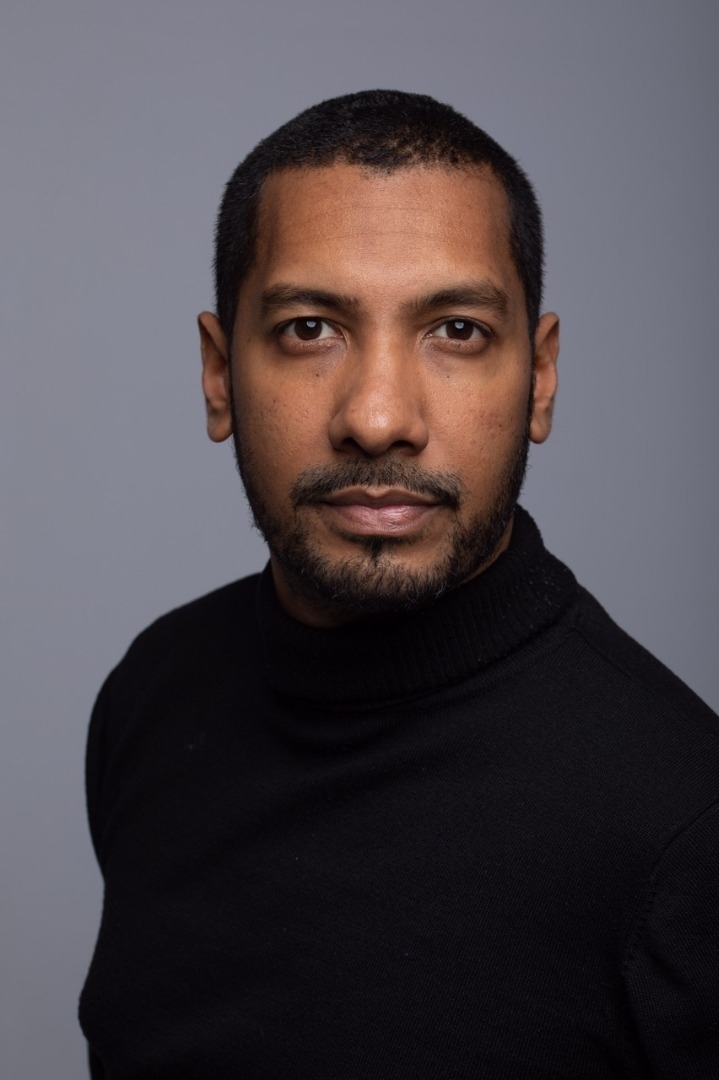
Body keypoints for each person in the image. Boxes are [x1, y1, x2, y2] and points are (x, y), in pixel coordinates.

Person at [79, 90, 718, 1078]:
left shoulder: (681, 825)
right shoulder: (152, 696)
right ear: (217, 373)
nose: (377, 419)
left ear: (540, 379)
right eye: (308, 329)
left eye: (455, 329)